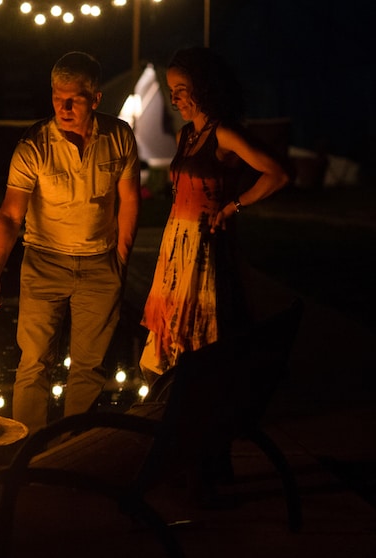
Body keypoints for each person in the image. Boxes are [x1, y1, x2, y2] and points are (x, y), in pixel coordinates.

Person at [0, 51, 141, 432]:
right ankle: (25, 450)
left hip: (101, 264)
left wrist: (121, 258)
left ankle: (71, 449)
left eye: (74, 99)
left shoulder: (118, 137)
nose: (63, 107)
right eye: (56, 97)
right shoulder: (34, 146)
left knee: (89, 367)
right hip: (44, 262)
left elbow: (130, 200)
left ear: (96, 99)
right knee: (33, 363)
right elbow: (9, 214)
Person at [140, 46, 289, 379]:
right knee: (171, 320)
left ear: (203, 88)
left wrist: (234, 206)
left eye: (180, 90)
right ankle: (172, 388)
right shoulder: (184, 136)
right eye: (172, 91)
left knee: (204, 322)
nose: (174, 99)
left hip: (205, 244)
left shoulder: (224, 134)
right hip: (175, 243)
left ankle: (204, 386)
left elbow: (278, 174)